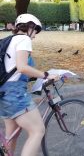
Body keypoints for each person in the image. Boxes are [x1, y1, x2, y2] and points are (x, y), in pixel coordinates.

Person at [0, 13, 59, 156]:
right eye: (35, 30)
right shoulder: (24, 39)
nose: (35, 35)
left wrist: (36, 77)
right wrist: (46, 75)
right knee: (38, 130)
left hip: (4, 93)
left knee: (11, 136)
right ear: (30, 26)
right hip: (15, 95)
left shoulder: (10, 40)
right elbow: (22, 67)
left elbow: (14, 70)